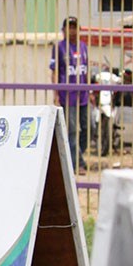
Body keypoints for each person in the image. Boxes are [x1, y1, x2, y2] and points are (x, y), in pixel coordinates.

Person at [49, 16, 90, 172]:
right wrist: (56, 94)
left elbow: (85, 70)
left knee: (89, 128)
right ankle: (77, 163)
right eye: (69, 27)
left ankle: (74, 155)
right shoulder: (59, 47)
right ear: (63, 30)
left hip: (83, 96)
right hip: (68, 96)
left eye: (74, 27)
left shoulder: (84, 46)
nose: (72, 31)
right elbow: (54, 72)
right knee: (72, 131)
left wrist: (90, 91)